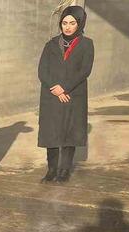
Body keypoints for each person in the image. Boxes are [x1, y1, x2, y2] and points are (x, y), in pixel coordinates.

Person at [38, 5, 94, 183]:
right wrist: (54, 87)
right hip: (51, 95)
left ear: (79, 24)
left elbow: (85, 70)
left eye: (72, 23)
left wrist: (65, 88)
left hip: (73, 95)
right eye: (64, 23)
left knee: (69, 133)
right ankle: (51, 170)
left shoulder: (86, 44)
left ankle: (64, 171)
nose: (67, 27)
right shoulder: (51, 44)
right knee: (51, 134)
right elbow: (42, 70)